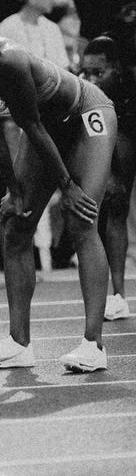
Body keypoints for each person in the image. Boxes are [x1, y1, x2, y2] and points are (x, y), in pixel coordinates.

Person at [0, 0, 117, 373]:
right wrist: (13, 190)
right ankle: (18, 344)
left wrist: (68, 186)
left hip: (85, 115)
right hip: (46, 131)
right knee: (16, 226)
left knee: (81, 219)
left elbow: (32, 126)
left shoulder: (9, 60)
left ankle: (93, 345)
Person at [0, 0, 71, 273]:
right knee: (19, 181)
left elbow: (62, 72)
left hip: (49, 115)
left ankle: (55, 251)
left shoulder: (51, 29)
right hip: (17, 116)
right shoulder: (8, 27)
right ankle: (22, 252)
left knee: (60, 178)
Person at [81, 36, 136, 320]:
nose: (91, 78)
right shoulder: (84, 90)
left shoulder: (131, 86)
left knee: (118, 196)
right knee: (114, 201)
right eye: (86, 72)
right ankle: (118, 296)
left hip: (128, 125)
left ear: (117, 68)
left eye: (98, 73)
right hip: (112, 128)